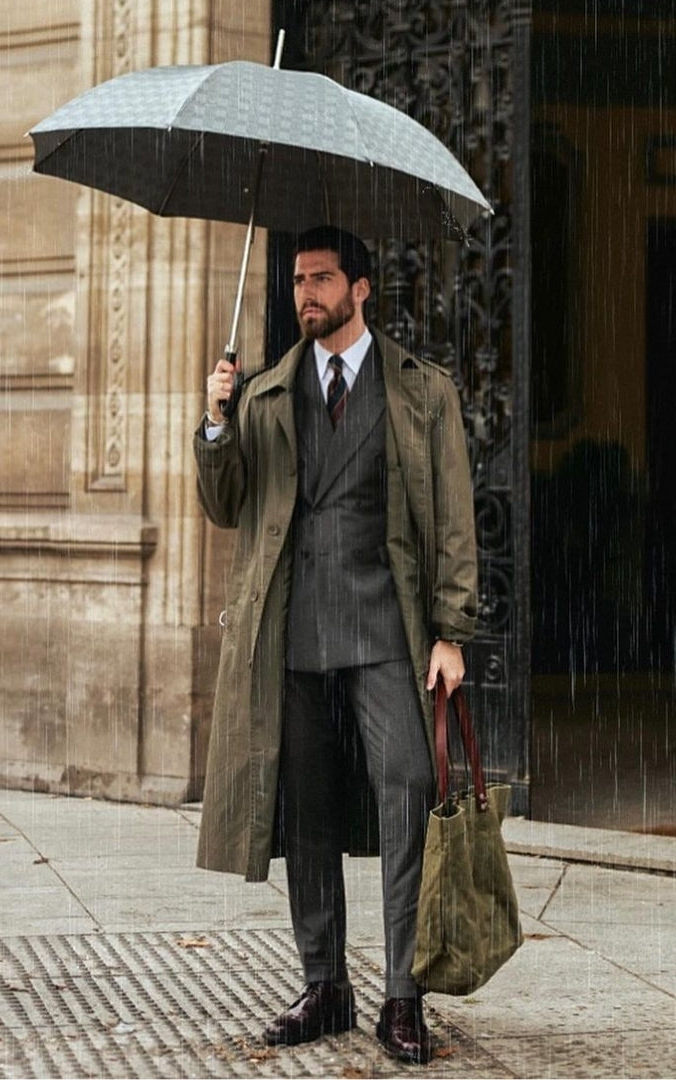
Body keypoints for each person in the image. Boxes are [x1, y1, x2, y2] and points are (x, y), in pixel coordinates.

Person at [193, 226, 478, 1065]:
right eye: (296, 281)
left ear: (361, 289)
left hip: (388, 626)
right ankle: (325, 985)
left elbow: (455, 521)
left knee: (406, 799)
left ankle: (401, 995)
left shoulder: (422, 393)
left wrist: (451, 632)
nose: (304, 294)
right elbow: (226, 503)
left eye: (321, 280)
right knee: (306, 813)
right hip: (295, 629)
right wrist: (215, 422)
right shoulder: (267, 392)